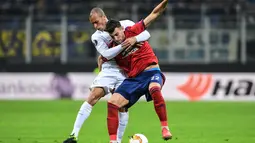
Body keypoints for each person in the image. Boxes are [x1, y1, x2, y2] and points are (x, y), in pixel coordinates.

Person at [63, 7, 151, 143]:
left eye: (96, 22)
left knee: (122, 106)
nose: (95, 26)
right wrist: (124, 45)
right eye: (93, 24)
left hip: (126, 70)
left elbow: (146, 34)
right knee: (93, 96)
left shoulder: (125, 24)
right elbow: (107, 54)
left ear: (104, 17)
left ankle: (118, 141)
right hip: (110, 69)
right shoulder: (96, 36)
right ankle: (73, 135)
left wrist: (133, 39)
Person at [104, 0, 172, 142]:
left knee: (155, 90)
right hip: (134, 79)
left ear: (122, 28)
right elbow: (105, 60)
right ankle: (113, 141)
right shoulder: (113, 49)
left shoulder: (133, 31)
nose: (116, 38)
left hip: (151, 72)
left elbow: (154, 14)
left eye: (117, 34)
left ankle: (164, 127)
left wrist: (165, 2)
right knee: (112, 103)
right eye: (113, 37)